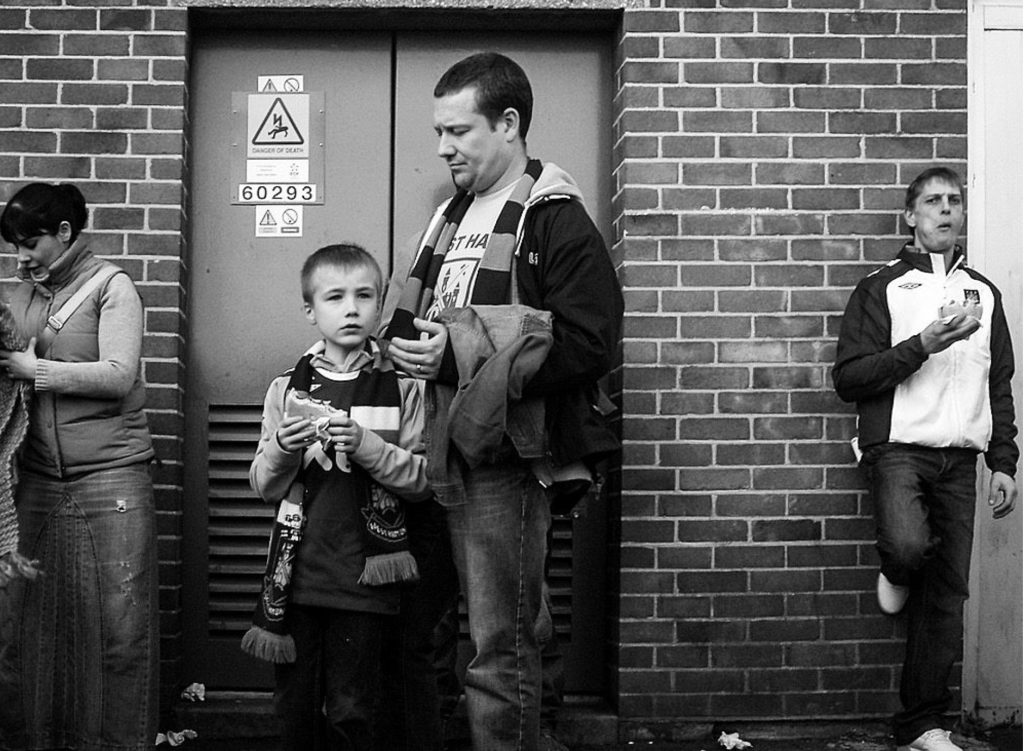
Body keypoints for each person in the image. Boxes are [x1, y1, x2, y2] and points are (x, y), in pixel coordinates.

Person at [381, 52, 622, 751]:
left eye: (458, 130)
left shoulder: (556, 221)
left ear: (509, 124)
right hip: (439, 449)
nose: (442, 147)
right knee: (519, 622)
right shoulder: (449, 220)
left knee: (497, 646)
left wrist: (460, 352)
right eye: (439, 130)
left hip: (506, 460)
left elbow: (590, 340)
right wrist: (402, 347)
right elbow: (426, 319)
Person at [832, 166, 1018, 751]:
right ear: (910, 217)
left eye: (954, 201)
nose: (945, 209)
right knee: (910, 547)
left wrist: (1006, 462)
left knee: (946, 595)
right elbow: (850, 378)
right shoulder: (881, 286)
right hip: (898, 451)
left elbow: (1000, 384)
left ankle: (922, 726)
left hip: (961, 461)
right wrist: (922, 347)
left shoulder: (985, 293)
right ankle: (896, 566)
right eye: (932, 201)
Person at [248, 243, 430, 751]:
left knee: (352, 712)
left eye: (364, 296)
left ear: (379, 308)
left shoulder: (405, 388)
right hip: (298, 577)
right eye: (334, 297)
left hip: (365, 580)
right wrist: (284, 450)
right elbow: (263, 485)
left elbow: (421, 481)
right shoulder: (286, 390)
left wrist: (367, 446)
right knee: (294, 711)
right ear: (311, 311)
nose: (351, 308)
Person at [0, 182, 159, 750]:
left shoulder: (111, 286)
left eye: (30, 242)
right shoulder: (20, 296)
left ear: (64, 232)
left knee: (121, 634)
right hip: (35, 481)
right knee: (21, 630)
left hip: (113, 477)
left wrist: (33, 370)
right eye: (14, 245)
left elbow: (119, 375)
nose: (21, 256)